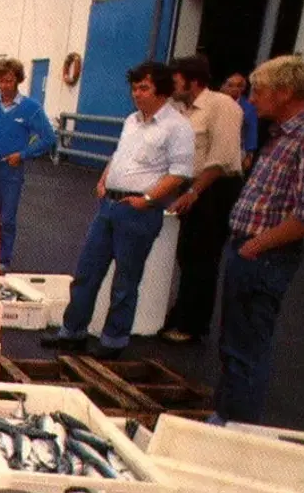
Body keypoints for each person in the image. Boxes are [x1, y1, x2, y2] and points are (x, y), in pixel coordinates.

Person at [41, 62, 194, 360]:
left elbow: (179, 173)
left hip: (138, 211)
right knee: (87, 270)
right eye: (134, 88)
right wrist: (104, 178)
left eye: (144, 88)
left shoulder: (177, 127)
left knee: (125, 279)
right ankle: (72, 332)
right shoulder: (132, 121)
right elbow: (119, 154)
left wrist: (148, 198)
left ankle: (113, 340)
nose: (137, 94)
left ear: (161, 89)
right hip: (109, 205)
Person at [212, 55, 304, 426]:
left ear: (286, 92)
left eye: (259, 91)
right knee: (233, 343)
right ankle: (225, 418)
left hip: (265, 257)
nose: (252, 98)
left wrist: (256, 246)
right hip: (249, 251)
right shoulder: (279, 135)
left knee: (247, 348)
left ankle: (239, 430)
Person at [158, 55, 246, 344]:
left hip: (214, 190)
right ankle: (181, 315)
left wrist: (195, 192)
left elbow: (221, 158)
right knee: (187, 254)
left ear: (193, 81)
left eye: (176, 81)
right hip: (193, 187)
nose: (172, 86)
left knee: (203, 257)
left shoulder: (222, 106)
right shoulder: (184, 110)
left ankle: (193, 326)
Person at [0, 58, 57, 274]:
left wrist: (24, 154)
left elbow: (48, 138)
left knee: (7, 218)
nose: (4, 85)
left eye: (9, 81)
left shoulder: (31, 108)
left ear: (18, 81)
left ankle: (3, 260)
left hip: (11, 169)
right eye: (0, 81)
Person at [220, 71, 261, 172]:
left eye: (239, 86)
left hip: (236, 152)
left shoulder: (249, 108)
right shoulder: (215, 102)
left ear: (243, 88)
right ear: (223, 86)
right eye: (230, 85)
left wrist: (249, 155)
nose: (235, 89)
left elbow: (251, 131)